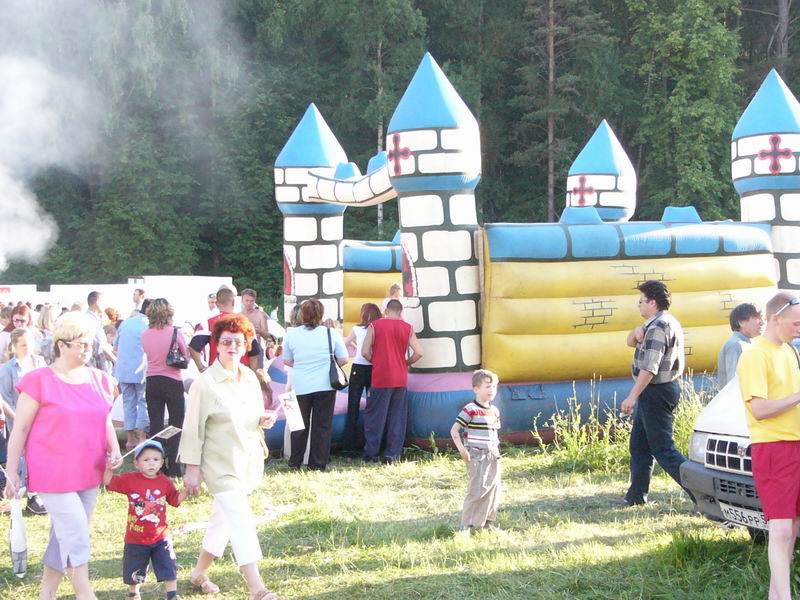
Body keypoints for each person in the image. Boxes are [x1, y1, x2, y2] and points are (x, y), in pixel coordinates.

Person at [4, 312, 122, 600]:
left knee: (63, 534)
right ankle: (84, 592)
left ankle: (47, 593)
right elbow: (20, 429)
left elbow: (104, 419)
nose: (88, 349)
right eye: (81, 344)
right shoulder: (38, 381)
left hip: (89, 468)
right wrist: (12, 471)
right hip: (52, 471)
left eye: (90, 344)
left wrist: (115, 448)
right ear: (61, 345)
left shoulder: (100, 379)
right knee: (76, 530)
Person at [179, 314, 280, 600]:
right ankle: (257, 589)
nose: (232, 347)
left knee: (222, 520)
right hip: (218, 465)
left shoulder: (249, 377)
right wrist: (192, 470)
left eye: (238, 342)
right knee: (241, 518)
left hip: (246, 460)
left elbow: (250, 416)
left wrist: (263, 419)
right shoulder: (204, 383)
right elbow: (193, 429)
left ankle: (198, 573)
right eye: (226, 342)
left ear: (246, 345)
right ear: (216, 345)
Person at [737, 292, 800, 600]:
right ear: (776, 318)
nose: (799, 329)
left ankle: (777, 595)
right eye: (796, 323)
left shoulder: (789, 351)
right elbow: (759, 409)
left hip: (796, 443)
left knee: (793, 526)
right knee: (781, 528)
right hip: (773, 446)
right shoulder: (754, 355)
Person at [620, 280, 693, 506]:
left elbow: (650, 368)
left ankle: (701, 494)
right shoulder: (661, 323)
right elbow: (629, 342)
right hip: (656, 391)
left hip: (655, 391)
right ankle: (635, 497)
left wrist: (632, 397)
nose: (639, 305)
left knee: (664, 450)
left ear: (652, 302)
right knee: (639, 445)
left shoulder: (658, 327)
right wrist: (636, 331)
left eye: (641, 301)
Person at [104, 439, 186, 600]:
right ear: (136, 463)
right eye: (146, 459)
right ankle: (133, 593)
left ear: (162, 462)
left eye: (156, 459)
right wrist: (108, 467)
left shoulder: (165, 482)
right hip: (135, 537)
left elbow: (175, 500)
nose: (151, 463)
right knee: (135, 567)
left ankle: (172, 594)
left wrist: (188, 490)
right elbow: (109, 482)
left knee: (168, 564)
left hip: (160, 537)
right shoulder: (130, 480)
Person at [282, 300, 347, 471]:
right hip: (325, 385)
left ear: (302, 314)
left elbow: (287, 360)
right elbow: (344, 358)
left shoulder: (292, 335)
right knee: (322, 426)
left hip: (300, 385)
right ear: (321, 314)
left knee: (298, 425)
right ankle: (317, 463)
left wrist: (302, 364)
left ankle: (295, 461)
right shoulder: (330, 333)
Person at [361, 299, 424, 463]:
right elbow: (419, 352)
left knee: (375, 416)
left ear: (386, 311)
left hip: (380, 377)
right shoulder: (407, 327)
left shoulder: (375, 326)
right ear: (400, 311)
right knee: (397, 418)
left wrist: (376, 361)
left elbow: (364, 351)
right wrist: (405, 363)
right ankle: (392, 454)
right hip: (400, 378)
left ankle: (371, 453)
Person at [0, 329, 48, 514]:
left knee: (39, 454)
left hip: (41, 418)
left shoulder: (40, 362)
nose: (27, 348)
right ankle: (27, 494)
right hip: (18, 419)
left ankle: (37, 492)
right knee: (21, 457)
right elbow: (5, 399)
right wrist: (18, 419)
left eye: (29, 344)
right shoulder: (7, 370)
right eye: (23, 345)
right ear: (14, 347)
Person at [450, 369, 502, 532]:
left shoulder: (494, 411)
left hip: (493, 454)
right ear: (476, 389)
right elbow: (454, 430)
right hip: (477, 454)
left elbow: (494, 433)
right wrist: (462, 450)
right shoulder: (470, 409)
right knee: (477, 489)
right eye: (487, 386)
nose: (491, 390)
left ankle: (486, 523)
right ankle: (466, 526)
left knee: (493, 488)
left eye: (494, 386)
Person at [140, 299, 187, 478]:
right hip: (172, 380)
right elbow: (185, 353)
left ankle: (156, 464)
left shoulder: (145, 334)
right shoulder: (175, 332)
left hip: (152, 381)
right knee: (176, 425)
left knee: (156, 426)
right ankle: (174, 466)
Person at [190, 288, 263, 372]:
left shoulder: (207, 323)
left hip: (217, 372)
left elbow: (193, 347)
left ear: (216, 304)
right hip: (241, 372)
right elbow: (254, 352)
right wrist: (252, 373)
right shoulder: (245, 323)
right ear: (233, 302)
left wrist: (201, 368)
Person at [342, 303, 382, 454]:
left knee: (353, 406)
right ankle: (371, 445)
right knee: (373, 406)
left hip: (358, 368)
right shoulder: (378, 329)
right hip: (373, 367)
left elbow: (344, 342)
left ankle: (349, 447)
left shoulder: (357, 329)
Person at [115, 299, 151, 451]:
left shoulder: (126, 323)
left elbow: (115, 345)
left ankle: (130, 439)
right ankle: (142, 437)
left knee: (128, 403)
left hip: (124, 369)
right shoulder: (149, 325)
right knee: (143, 402)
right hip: (141, 370)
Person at [716, 302, 764, 388]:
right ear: (741, 322)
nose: (762, 322)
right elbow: (733, 382)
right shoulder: (736, 345)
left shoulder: (749, 344)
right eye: (756, 317)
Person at [86, 291, 116, 372]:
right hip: (97, 366)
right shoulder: (90, 320)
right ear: (97, 303)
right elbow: (100, 345)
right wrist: (116, 360)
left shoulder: (94, 319)